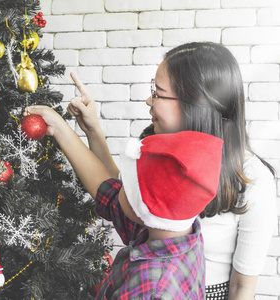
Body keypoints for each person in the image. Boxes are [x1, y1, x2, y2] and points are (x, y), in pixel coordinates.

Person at [59, 42, 276, 300]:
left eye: (158, 93)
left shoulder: (253, 178)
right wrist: (92, 128)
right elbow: (121, 192)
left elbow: (243, 287)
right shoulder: (160, 144)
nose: (149, 100)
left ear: (195, 104)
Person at [25, 108, 224, 298]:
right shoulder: (173, 231)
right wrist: (61, 128)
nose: (120, 186)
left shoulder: (152, 291)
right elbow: (107, 193)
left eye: (128, 186)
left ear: (144, 207)